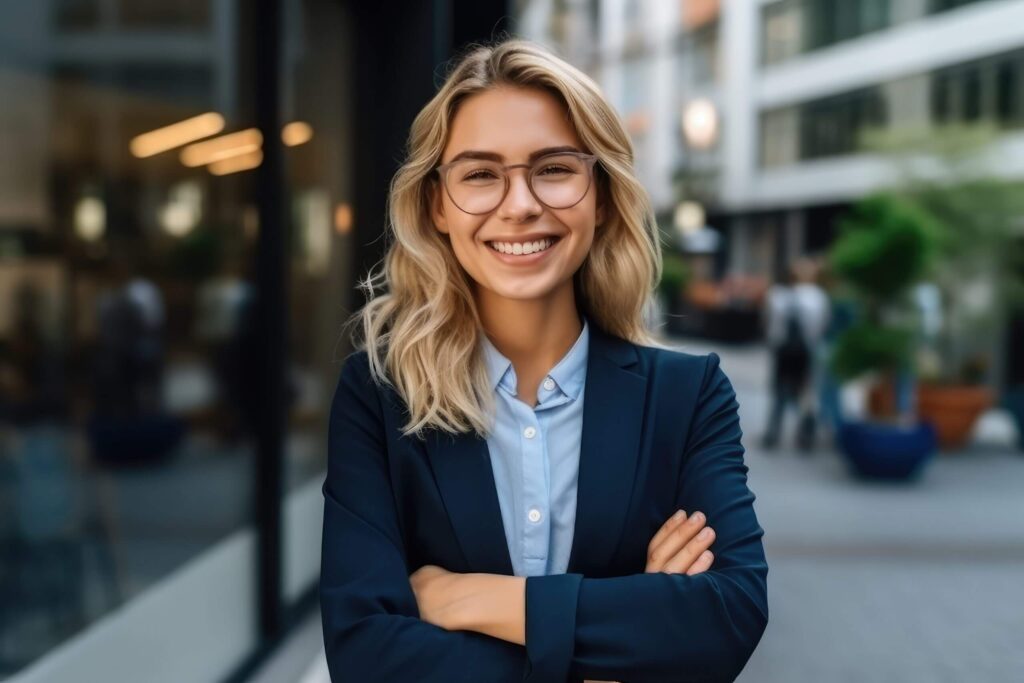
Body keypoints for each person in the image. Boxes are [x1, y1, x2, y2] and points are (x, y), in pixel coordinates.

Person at [320, 38, 768, 683]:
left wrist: (471, 600)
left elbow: (726, 617)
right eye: (480, 174)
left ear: (602, 195)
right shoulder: (380, 393)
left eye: (554, 168)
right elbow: (366, 655)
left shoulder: (688, 395)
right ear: (437, 206)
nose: (521, 204)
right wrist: (622, 633)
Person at [761, 257, 830, 452]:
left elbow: (769, 325)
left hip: (782, 350)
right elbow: (822, 326)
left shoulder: (777, 295)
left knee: (779, 390)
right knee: (806, 392)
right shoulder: (818, 297)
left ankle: (773, 432)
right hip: (807, 351)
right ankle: (805, 435)